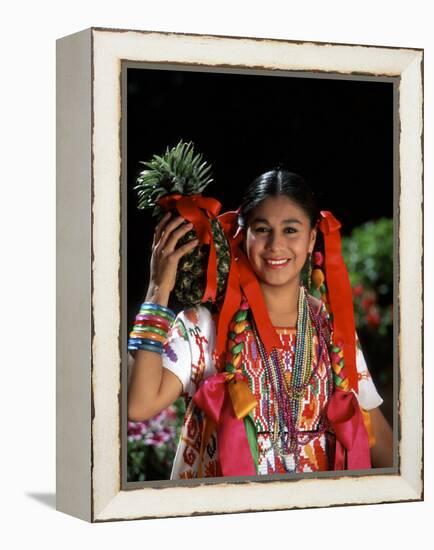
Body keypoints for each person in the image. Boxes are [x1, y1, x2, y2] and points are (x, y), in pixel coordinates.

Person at [127, 169, 393, 479]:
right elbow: (139, 405)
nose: (275, 244)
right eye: (262, 229)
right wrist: (158, 289)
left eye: (291, 230)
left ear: (311, 239)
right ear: (243, 235)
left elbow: (376, 435)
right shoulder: (203, 326)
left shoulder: (332, 327)